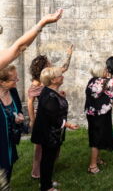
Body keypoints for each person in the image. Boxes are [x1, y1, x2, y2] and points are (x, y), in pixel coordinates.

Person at [27, 46, 73, 179]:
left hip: (54, 115)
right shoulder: (36, 84)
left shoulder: (50, 78)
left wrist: (69, 55)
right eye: (48, 64)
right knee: (40, 148)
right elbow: (30, 103)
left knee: (55, 142)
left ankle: (48, 168)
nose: (51, 64)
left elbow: (63, 68)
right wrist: (32, 120)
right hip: (42, 117)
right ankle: (36, 172)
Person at [31, 67, 79, 191]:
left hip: (52, 132)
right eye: (60, 75)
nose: (62, 76)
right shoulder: (49, 95)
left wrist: (61, 96)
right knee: (47, 159)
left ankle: (46, 182)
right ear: (53, 80)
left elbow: (55, 109)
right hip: (48, 134)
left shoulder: (51, 92)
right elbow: (53, 118)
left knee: (49, 158)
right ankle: (46, 187)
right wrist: (68, 125)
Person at [85, 59, 113, 174]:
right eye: (104, 69)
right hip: (99, 115)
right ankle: (92, 166)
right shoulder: (103, 82)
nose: (106, 70)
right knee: (96, 140)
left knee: (98, 137)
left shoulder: (92, 81)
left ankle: (97, 159)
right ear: (100, 71)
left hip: (93, 114)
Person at [0, 65, 24, 183]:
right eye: (14, 79)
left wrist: (19, 116)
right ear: (2, 82)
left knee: (8, 168)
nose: (17, 81)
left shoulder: (13, 92)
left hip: (9, 141)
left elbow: (18, 109)